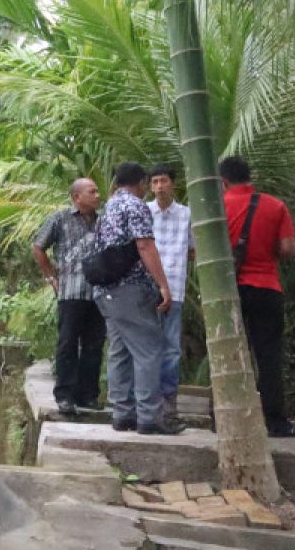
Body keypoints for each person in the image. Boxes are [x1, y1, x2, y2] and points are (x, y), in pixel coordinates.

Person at [219, 155, 295, 437]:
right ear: (250, 176)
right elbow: (287, 248)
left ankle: (223, 418)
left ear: (223, 181)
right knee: (268, 356)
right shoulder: (275, 205)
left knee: (227, 354)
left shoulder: (217, 207)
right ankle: (275, 422)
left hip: (228, 291)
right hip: (267, 287)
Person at [93, 162, 182, 434]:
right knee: (148, 350)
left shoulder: (107, 208)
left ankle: (122, 414)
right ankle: (149, 418)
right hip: (131, 289)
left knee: (119, 351)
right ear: (140, 182)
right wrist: (163, 286)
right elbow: (144, 244)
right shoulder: (135, 206)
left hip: (106, 290)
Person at [34, 178, 104, 415]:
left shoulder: (103, 220)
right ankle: (64, 396)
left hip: (99, 292)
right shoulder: (60, 218)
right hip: (70, 291)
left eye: (96, 191)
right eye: (91, 191)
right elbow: (38, 247)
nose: (97, 195)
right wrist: (51, 276)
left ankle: (88, 395)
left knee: (94, 345)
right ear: (76, 197)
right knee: (67, 344)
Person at [147, 164, 194, 419]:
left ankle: (168, 399)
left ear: (172, 183)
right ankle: (145, 397)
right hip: (146, 289)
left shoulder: (187, 214)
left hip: (174, 287)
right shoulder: (144, 212)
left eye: (163, 181)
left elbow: (194, 249)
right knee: (146, 344)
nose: (159, 187)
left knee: (171, 346)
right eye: (154, 182)